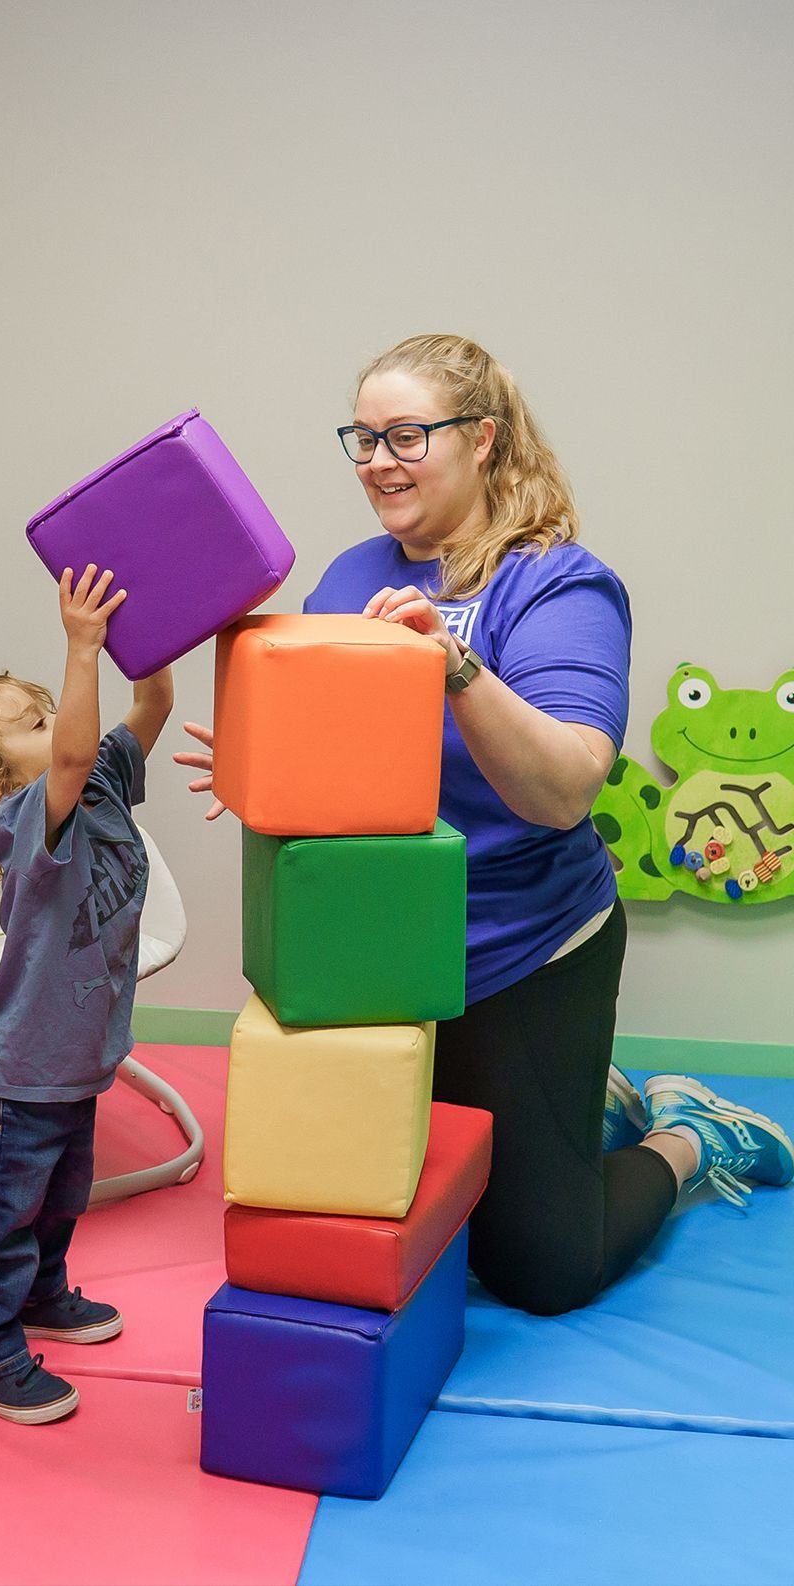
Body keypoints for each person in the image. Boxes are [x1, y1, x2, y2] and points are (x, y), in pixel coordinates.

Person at [176, 333, 792, 1316]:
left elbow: (565, 792)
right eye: (364, 437)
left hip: (524, 947)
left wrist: (456, 670)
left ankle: (688, 1133)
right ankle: (590, 1095)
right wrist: (261, 766)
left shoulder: (555, 582)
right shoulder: (347, 576)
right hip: (384, 955)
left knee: (544, 1268)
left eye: (407, 434)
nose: (378, 459)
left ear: (484, 440)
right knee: (373, 1199)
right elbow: (347, 767)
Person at [0, 563, 173, 1420]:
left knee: (60, 1203)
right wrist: (82, 648)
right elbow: (69, 753)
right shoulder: (25, 819)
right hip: (15, 1079)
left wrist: (152, 640)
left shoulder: (95, 780)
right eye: (35, 720)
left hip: (72, 1062)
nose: (61, 722)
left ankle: (42, 1294)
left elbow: (151, 711)